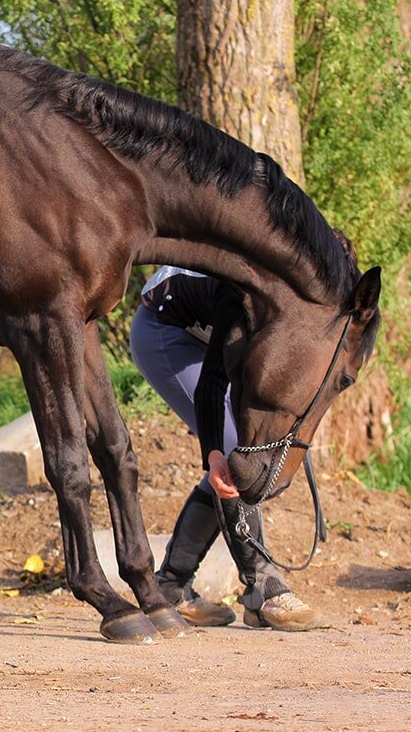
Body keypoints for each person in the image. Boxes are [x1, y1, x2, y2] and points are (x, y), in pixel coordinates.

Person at [130, 266, 319, 631]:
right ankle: (264, 589)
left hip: (208, 334)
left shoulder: (303, 304)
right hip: (165, 332)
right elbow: (211, 386)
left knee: (241, 458)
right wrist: (214, 453)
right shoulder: (247, 289)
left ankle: (170, 586)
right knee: (234, 453)